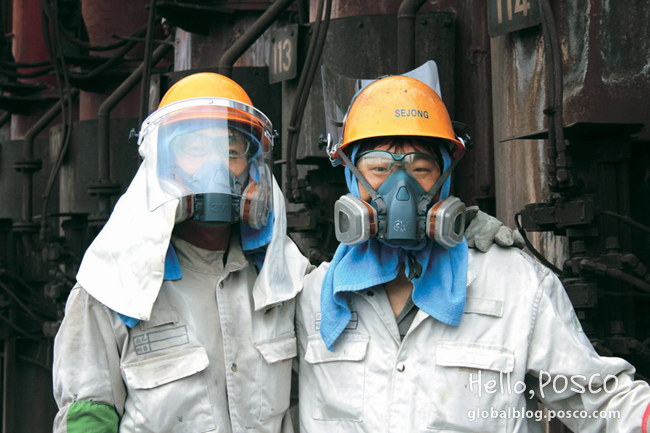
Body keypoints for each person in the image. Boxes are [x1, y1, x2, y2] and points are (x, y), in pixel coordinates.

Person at [295, 74, 650, 432]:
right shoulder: (311, 297)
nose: (399, 190)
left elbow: (599, 402)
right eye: (378, 169)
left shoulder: (513, 283)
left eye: (420, 169)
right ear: (352, 178)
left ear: (445, 179)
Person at [52, 73, 310, 433]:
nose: (217, 167)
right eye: (195, 149)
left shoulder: (286, 283)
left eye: (232, 150)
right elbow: (88, 419)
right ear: (161, 166)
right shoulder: (112, 287)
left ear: (253, 170)